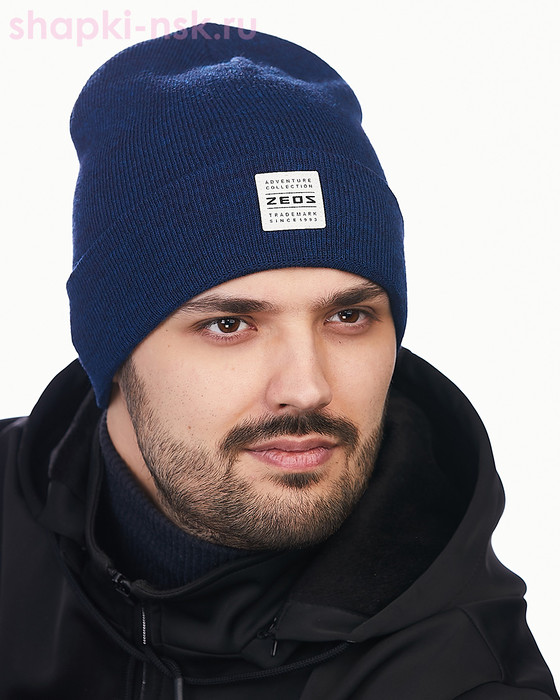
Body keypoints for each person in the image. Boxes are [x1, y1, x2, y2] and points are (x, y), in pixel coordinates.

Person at [0, 22, 557, 700]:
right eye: (229, 324)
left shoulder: (463, 677)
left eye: (348, 317)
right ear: (111, 350)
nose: (307, 387)